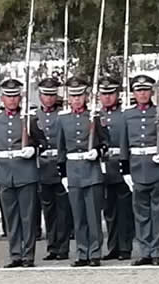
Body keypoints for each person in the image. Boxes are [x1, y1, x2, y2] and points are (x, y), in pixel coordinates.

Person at [119, 75, 159, 266]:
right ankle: (145, 251)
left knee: (158, 212)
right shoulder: (127, 115)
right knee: (141, 213)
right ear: (133, 93)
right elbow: (124, 144)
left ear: (151, 92)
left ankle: (157, 250)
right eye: (138, 90)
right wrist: (125, 169)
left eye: (145, 90)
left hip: (157, 167)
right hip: (137, 167)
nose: (142, 93)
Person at [0, 78, 40, 268]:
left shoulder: (28, 118)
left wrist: (33, 149)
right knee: (11, 217)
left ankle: (28, 255)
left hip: (26, 172)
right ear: (2, 98)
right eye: (8, 97)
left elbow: (40, 142)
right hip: (4, 173)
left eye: (15, 96)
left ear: (21, 97)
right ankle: (15, 254)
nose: (12, 100)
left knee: (27, 216)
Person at [58, 76, 108, 267]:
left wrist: (97, 151)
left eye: (80, 95)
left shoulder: (94, 117)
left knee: (93, 215)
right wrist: (62, 174)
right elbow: (61, 149)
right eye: (73, 96)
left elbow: (105, 142)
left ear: (86, 97)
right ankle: (82, 252)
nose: (77, 99)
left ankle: (94, 252)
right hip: (73, 172)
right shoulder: (63, 120)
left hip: (92, 170)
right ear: (69, 98)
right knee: (78, 216)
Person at [35, 78, 71, 261]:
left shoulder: (63, 115)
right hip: (42, 168)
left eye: (51, 95)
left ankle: (63, 247)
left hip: (59, 165)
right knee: (48, 212)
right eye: (45, 95)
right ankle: (52, 246)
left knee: (63, 211)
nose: (48, 99)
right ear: (40, 96)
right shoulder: (34, 116)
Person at [98, 76, 133, 262]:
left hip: (121, 165)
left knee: (125, 210)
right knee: (109, 211)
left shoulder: (124, 115)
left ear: (117, 94)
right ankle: (113, 247)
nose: (107, 97)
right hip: (104, 167)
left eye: (111, 93)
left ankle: (125, 247)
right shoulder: (96, 116)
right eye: (104, 94)